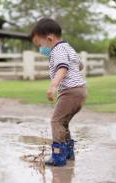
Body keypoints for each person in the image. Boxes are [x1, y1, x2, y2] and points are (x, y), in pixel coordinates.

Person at [30, 18, 87, 167]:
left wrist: (53, 85)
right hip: (81, 91)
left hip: (70, 92)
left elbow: (63, 68)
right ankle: (68, 153)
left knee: (56, 121)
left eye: (40, 44)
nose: (41, 48)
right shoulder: (68, 47)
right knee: (63, 122)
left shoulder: (57, 50)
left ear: (49, 38)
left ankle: (58, 156)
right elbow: (80, 65)